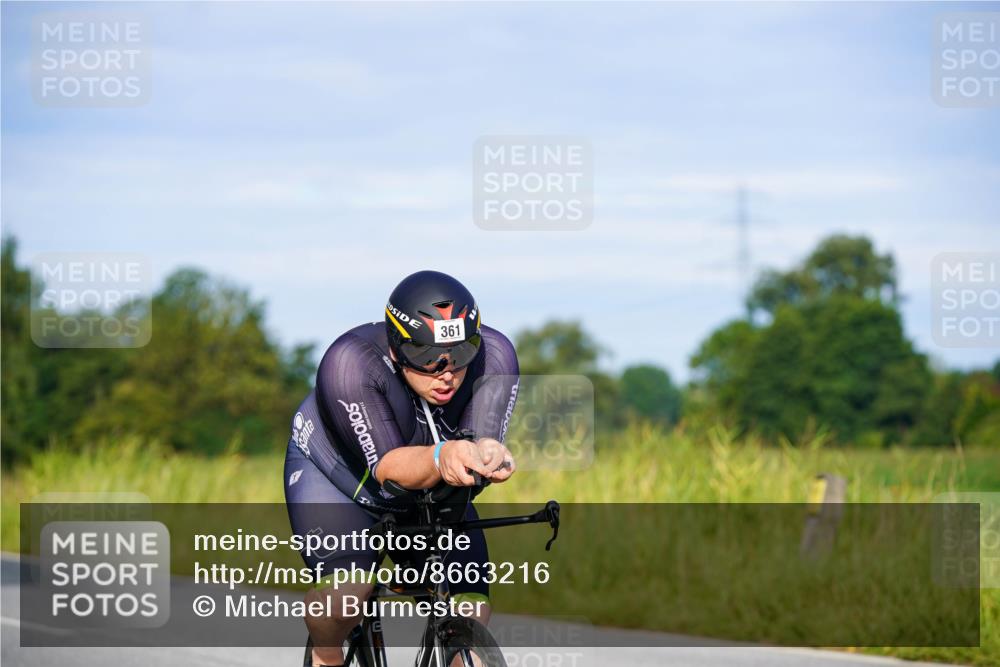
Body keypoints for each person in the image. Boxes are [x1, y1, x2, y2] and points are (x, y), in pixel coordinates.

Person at [283, 270, 520, 667]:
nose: (447, 371)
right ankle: (326, 655)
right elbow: (390, 467)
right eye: (426, 357)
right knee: (345, 598)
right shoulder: (350, 362)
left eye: (461, 353)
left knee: (471, 615)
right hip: (341, 481)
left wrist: (490, 452)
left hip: (428, 487)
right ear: (396, 348)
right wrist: (440, 456)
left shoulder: (495, 354)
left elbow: (480, 443)